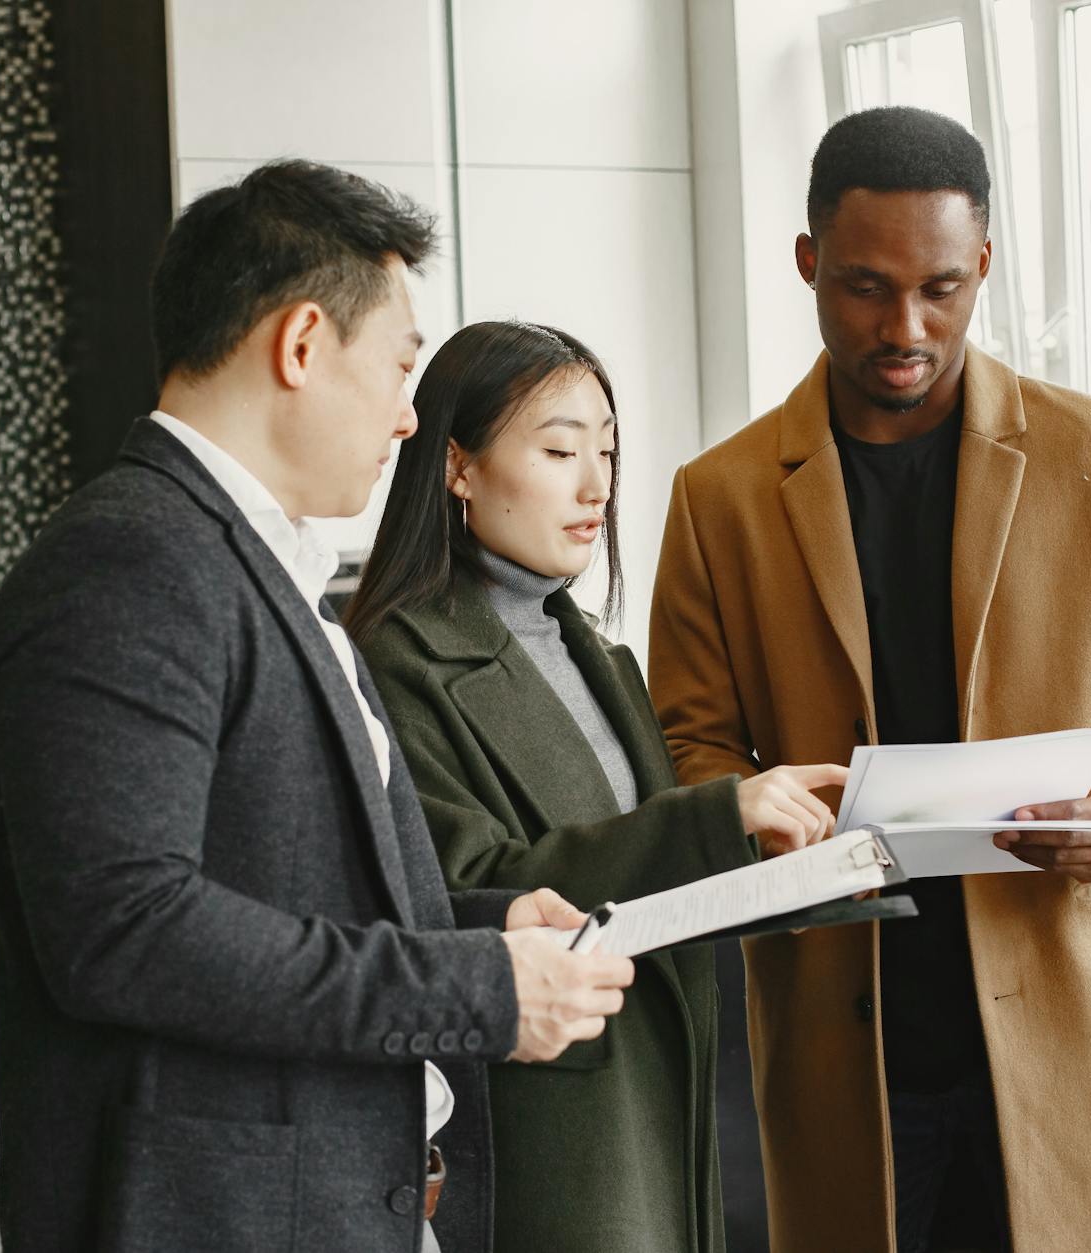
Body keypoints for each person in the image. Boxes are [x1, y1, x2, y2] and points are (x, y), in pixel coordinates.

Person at [0, 161, 634, 1253]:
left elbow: (288, 883)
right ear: (300, 344)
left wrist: (481, 923)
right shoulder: (128, 559)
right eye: (398, 367)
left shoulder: (255, 562)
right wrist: (471, 985)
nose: (411, 416)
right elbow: (124, 930)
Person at [647, 107, 1091, 1253]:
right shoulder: (715, 496)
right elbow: (690, 741)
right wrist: (766, 820)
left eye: (939, 285)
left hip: (1073, 1016)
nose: (905, 326)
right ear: (806, 263)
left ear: (982, 263)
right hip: (846, 1039)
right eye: (865, 287)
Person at [346, 319, 848, 1253]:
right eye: (559, 449)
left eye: (607, 451)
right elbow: (471, 885)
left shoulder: (600, 656)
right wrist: (717, 812)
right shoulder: (397, 659)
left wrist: (808, 868)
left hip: (668, 1091)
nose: (597, 485)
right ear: (457, 466)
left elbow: (650, 869)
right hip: (553, 1115)